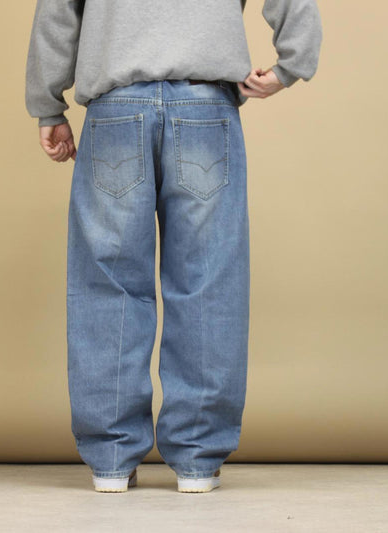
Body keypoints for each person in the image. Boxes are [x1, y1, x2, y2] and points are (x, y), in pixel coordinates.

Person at [25, 0, 322, 493]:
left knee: (108, 285)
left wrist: (46, 104)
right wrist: (291, 65)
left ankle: (111, 458)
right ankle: (197, 460)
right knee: (208, 281)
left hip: (115, 107)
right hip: (207, 107)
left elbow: (58, 11)